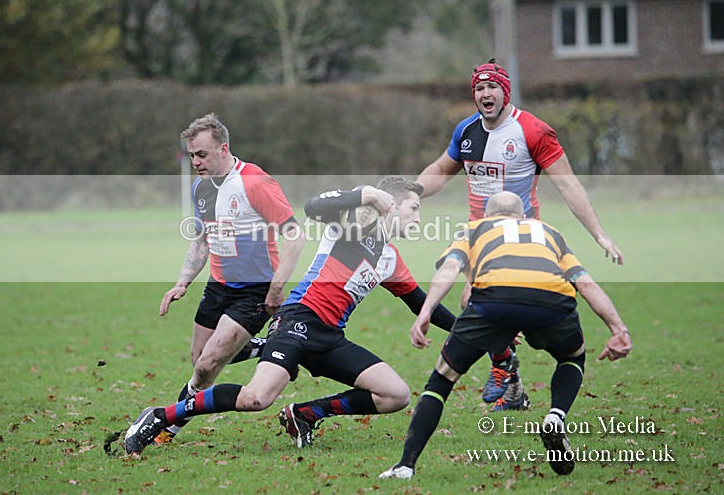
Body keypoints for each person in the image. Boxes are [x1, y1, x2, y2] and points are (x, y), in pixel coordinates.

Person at [123, 176, 462, 454]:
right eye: (414, 208)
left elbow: (421, 303)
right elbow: (314, 207)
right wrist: (366, 194)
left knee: (396, 395)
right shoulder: (350, 227)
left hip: (329, 338)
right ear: (391, 205)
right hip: (297, 320)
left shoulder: (390, 259)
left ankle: (305, 414)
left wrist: (468, 328)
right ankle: (159, 416)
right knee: (256, 398)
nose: (419, 217)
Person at [416, 58, 624, 408]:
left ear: (505, 91)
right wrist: (412, 191)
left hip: (523, 235)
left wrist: (599, 235)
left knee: (486, 303)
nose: (485, 93)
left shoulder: (533, 130)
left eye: (492, 86)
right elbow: (441, 168)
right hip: (479, 236)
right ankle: (508, 376)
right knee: (478, 303)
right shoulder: (466, 131)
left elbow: (568, 185)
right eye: (479, 88)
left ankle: (506, 370)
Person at [379, 191, 632, 479]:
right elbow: (584, 283)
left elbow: (451, 268)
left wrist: (426, 312)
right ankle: (555, 416)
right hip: (553, 302)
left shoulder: (474, 229)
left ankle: (405, 466)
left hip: (493, 301)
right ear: (524, 216)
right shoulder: (549, 232)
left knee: (441, 380)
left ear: (488, 215)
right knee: (571, 357)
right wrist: (618, 329)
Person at [143, 113, 306, 445]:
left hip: (256, 289)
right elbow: (203, 238)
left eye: (201, 154)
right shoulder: (200, 188)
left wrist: (277, 288)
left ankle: (169, 424)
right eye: (192, 155)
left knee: (206, 366)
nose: (196, 162)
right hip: (218, 286)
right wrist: (182, 282)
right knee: (198, 360)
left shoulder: (254, 182)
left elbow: (294, 234)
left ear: (223, 148)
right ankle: (260, 348)